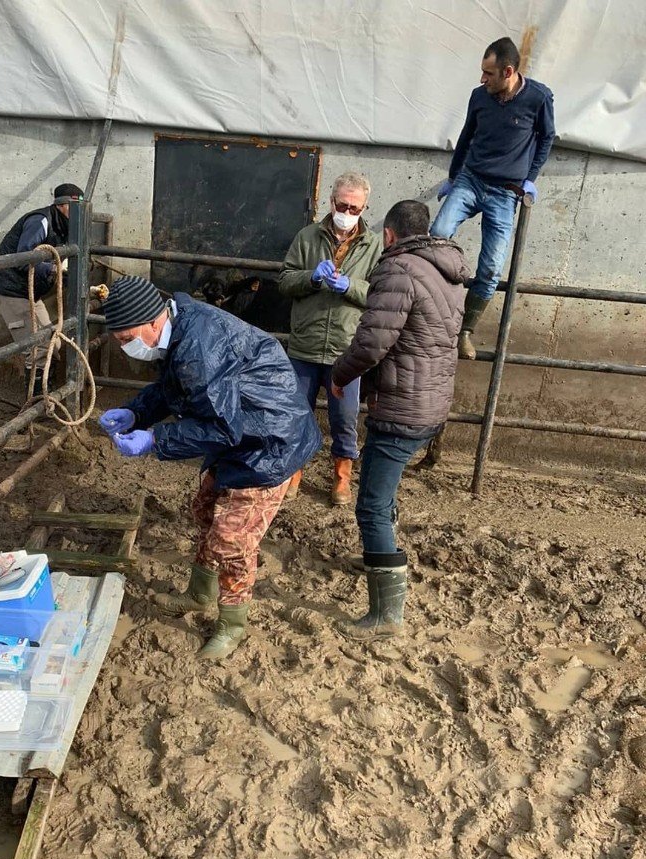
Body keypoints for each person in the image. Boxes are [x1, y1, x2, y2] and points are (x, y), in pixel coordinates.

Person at [98, 275, 321, 660]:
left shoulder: (199, 347)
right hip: (243, 431)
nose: (125, 348)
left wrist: (156, 440)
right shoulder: (179, 327)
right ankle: (200, 593)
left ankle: (232, 625)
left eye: (125, 338)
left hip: (269, 443)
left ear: (153, 322)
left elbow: (220, 426)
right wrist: (137, 412)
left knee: (232, 541)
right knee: (204, 511)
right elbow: (177, 388)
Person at [331, 200, 469, 639]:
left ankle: (386, 617)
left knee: (370, 504)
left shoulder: (398, 270)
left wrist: (340, 375)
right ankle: (378, 554)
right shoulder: (447, 271)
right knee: (382, 488)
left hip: (402, 405)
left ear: (389, 235)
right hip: (430, 403)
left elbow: (372, 342)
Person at [430, 36, 555, 361]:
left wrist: (530, 179)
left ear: (508, 71)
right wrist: (455, 175)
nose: (482, 79)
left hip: (506, 192)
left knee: (490, 269)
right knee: (438, 235)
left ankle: (464, 331)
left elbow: (547, 137)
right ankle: (435, 309)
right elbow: (466, 134)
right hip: (471, 180)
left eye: (488, 73)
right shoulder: (479, 97)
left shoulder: (538, 98)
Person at [278, 172, 383, 505]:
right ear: (330, 201)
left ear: (364, 207)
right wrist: (310, 277)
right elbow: (284, 280)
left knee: (344, 419)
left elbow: (380, 293)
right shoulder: (307, 237)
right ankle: (293, 473)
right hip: (304, 346)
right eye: (343, 205)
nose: (348, 212)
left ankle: (341, 479)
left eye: (355, 207)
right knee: (296, 415)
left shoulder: (374, 246)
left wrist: (351, 287)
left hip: (345, 350)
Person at [0, 183, 84, 395]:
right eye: (75, 206)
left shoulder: (66, 226)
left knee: (52, 345)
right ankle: (35, 404)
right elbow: (24, 258)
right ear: (62, 205)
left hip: (28, 292)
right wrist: (54, 270)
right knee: (37, 349)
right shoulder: (41, 221)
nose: (78, 212)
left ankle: (45, 397)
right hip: (10, 289)